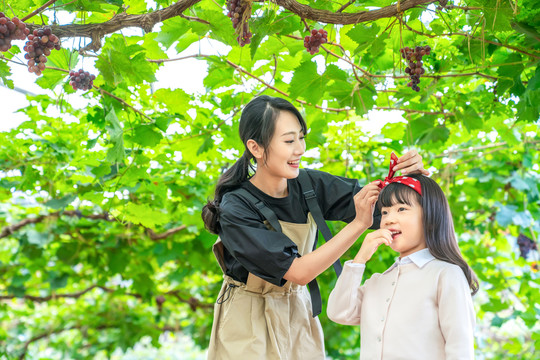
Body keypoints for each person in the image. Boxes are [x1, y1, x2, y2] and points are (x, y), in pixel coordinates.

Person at [201, 96, 428, 360]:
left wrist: (413, 180)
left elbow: (384, 212)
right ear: (256, 147)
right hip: (247, 318)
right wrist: (358, 224)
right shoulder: (236, 207)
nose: (299, 149)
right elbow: (298, 272)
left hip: (298, 312)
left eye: (301, 137)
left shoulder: (310, 185)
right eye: (288, 141)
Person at [327, 154, 479, 360]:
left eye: (401, 209)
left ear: (430, 217)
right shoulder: (377, 282)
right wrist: (359, 259)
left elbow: (460, 350)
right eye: (385, 212)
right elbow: (339, 312)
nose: (390, 219)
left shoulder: (446, 275)